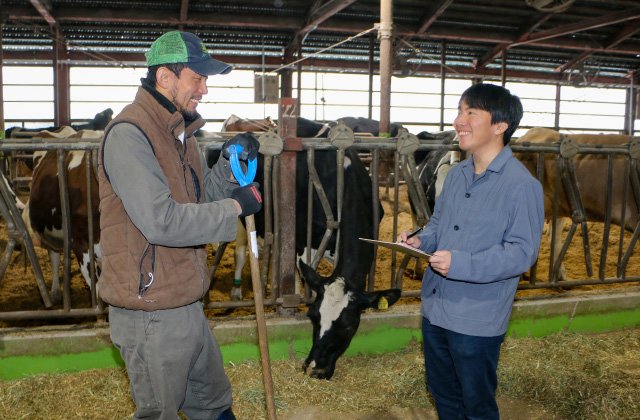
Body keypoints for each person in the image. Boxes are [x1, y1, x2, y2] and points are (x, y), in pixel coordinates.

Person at [98, 31, 262, 420]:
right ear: (165, 78)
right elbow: (162, 222)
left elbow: (196, 205)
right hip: (150, 312)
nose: (204, 89)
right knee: (161, 414)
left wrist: (228, 164)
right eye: (198, 78)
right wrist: (233, 210)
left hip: (187, 300)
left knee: (214, 403)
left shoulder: (180, 134)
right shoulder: (129, 135)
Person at [398, 83, 544, 420]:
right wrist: (422, 241)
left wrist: (461, 263)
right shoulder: (457, 174)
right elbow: (438, 225)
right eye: (460, 111)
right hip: (437, 307)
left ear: (500, 126)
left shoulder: (522, 186)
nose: (458, 120)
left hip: (477, 318)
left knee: (476, 405)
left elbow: (522, 253)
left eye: (470, 112)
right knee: (443, 396)